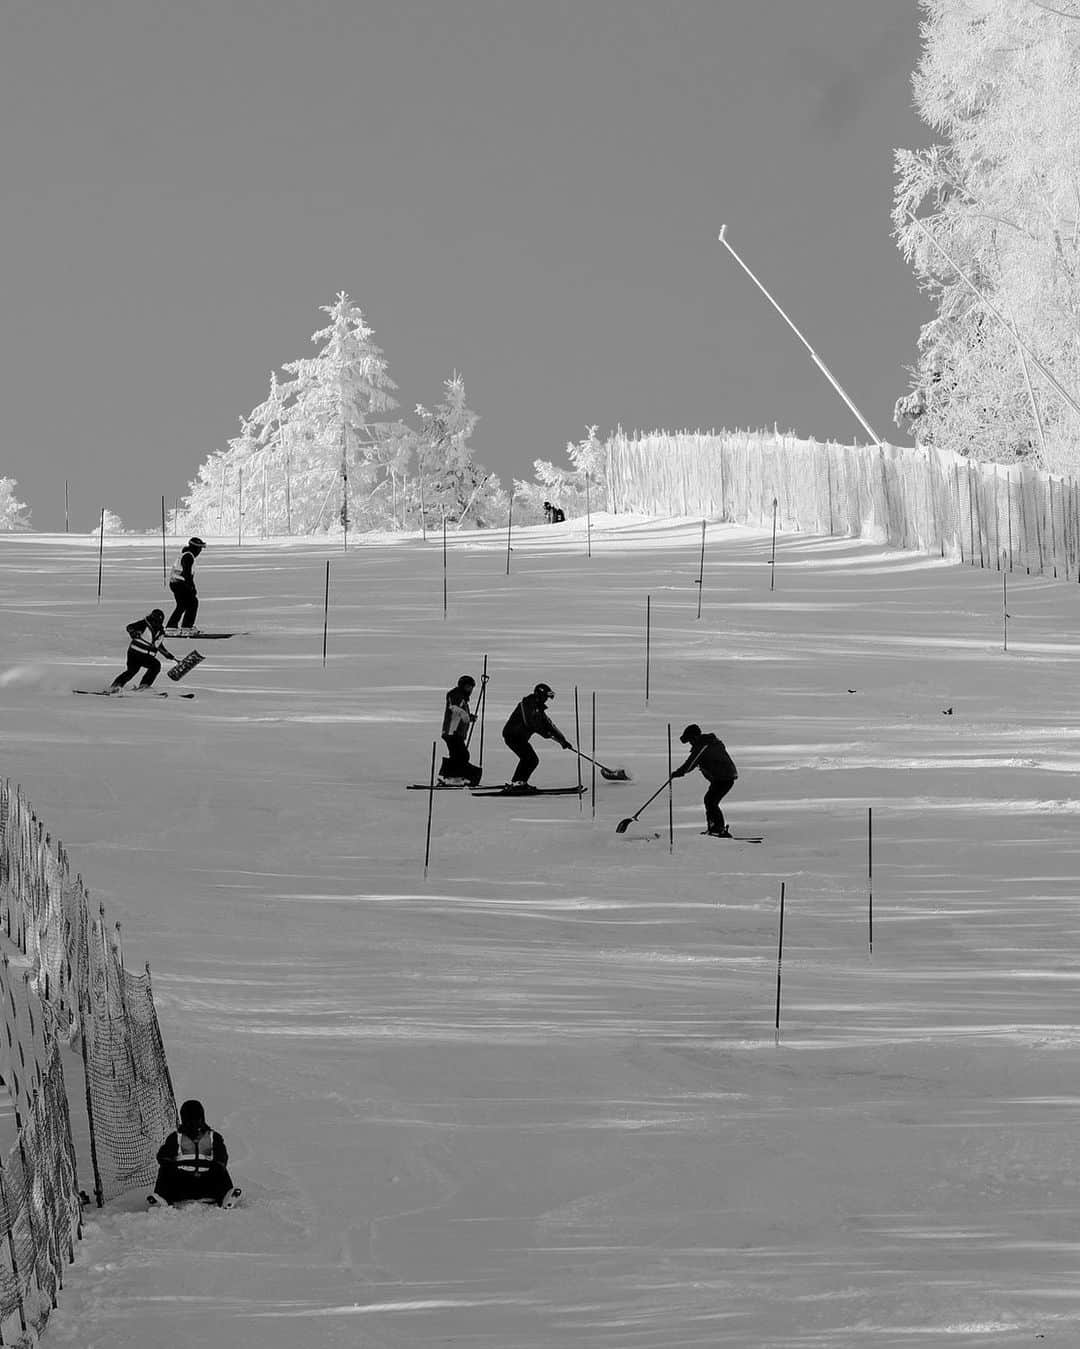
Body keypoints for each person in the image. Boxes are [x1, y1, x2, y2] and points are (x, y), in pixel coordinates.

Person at [150, 1099, 240, 1208]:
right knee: (164, 1169)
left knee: (221, 1169)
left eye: (197, 1119)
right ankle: (162, 1198)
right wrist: (169, 1163)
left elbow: (222, 1157)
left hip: (207, 1184)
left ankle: (226, 1197)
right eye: (190, 1120)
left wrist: (217, 1164)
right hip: (182, 1185)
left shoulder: (213, 1137)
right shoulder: (176, 1137)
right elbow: (162, 1156)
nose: (194, 1123)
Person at [501, 683, 572, 789]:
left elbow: (549, 726)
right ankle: (518, 783)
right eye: (545, 697)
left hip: (520, 738)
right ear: (540, 695)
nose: (546, 700)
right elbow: (530, 723)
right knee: (530, 759)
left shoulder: (538, 709)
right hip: (512, 735)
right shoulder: (527, 704)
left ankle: (519, 782)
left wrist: (563, 741)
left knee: (530, 759)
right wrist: (545, 733)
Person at [671, 724, 738, 837]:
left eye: (690, 740)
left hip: (724, 777)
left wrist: (679, 772)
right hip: (721, 778)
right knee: (710, 800)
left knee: (711, 801)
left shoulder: (704, 746)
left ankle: (718, 828)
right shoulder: (707, 743)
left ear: (696, 737)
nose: (691, 743)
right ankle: (714, 827)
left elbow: (691, 762)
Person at [109, 609, 177, 692]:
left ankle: (120, 685)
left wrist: (167, 654)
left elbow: (158, 645)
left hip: (145, 655)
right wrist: (133, 633)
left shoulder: (160, 631)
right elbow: (130, 627)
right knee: (153, 666)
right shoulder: (144, 624)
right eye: (154, 620)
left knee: (133, 671)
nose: (155, 622)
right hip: (135, 653)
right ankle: (119, 686)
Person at [440, 674, 481, 786]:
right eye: (468, 687)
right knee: (461, 755)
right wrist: (465, 715)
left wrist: (470, 717)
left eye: (472, 687)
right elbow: (453, 707)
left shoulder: (463, 699)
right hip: (452, 732)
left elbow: (462, 715)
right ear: (462, 686)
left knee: (458, 755)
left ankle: (451, 777)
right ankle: (452, 777)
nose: (470, 690)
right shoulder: (455, 694)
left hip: (457, 733)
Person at [166, 537, 206, 634]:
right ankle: (186, 627)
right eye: (199, 548)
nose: (200, 551)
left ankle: (171, 627)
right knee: (193, 603)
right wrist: (192, 588)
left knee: (182, 605)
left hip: (176, 583)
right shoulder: (188, 557)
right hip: (180, 584)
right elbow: (187, 574)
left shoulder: (186, 554)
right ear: (194, 548)